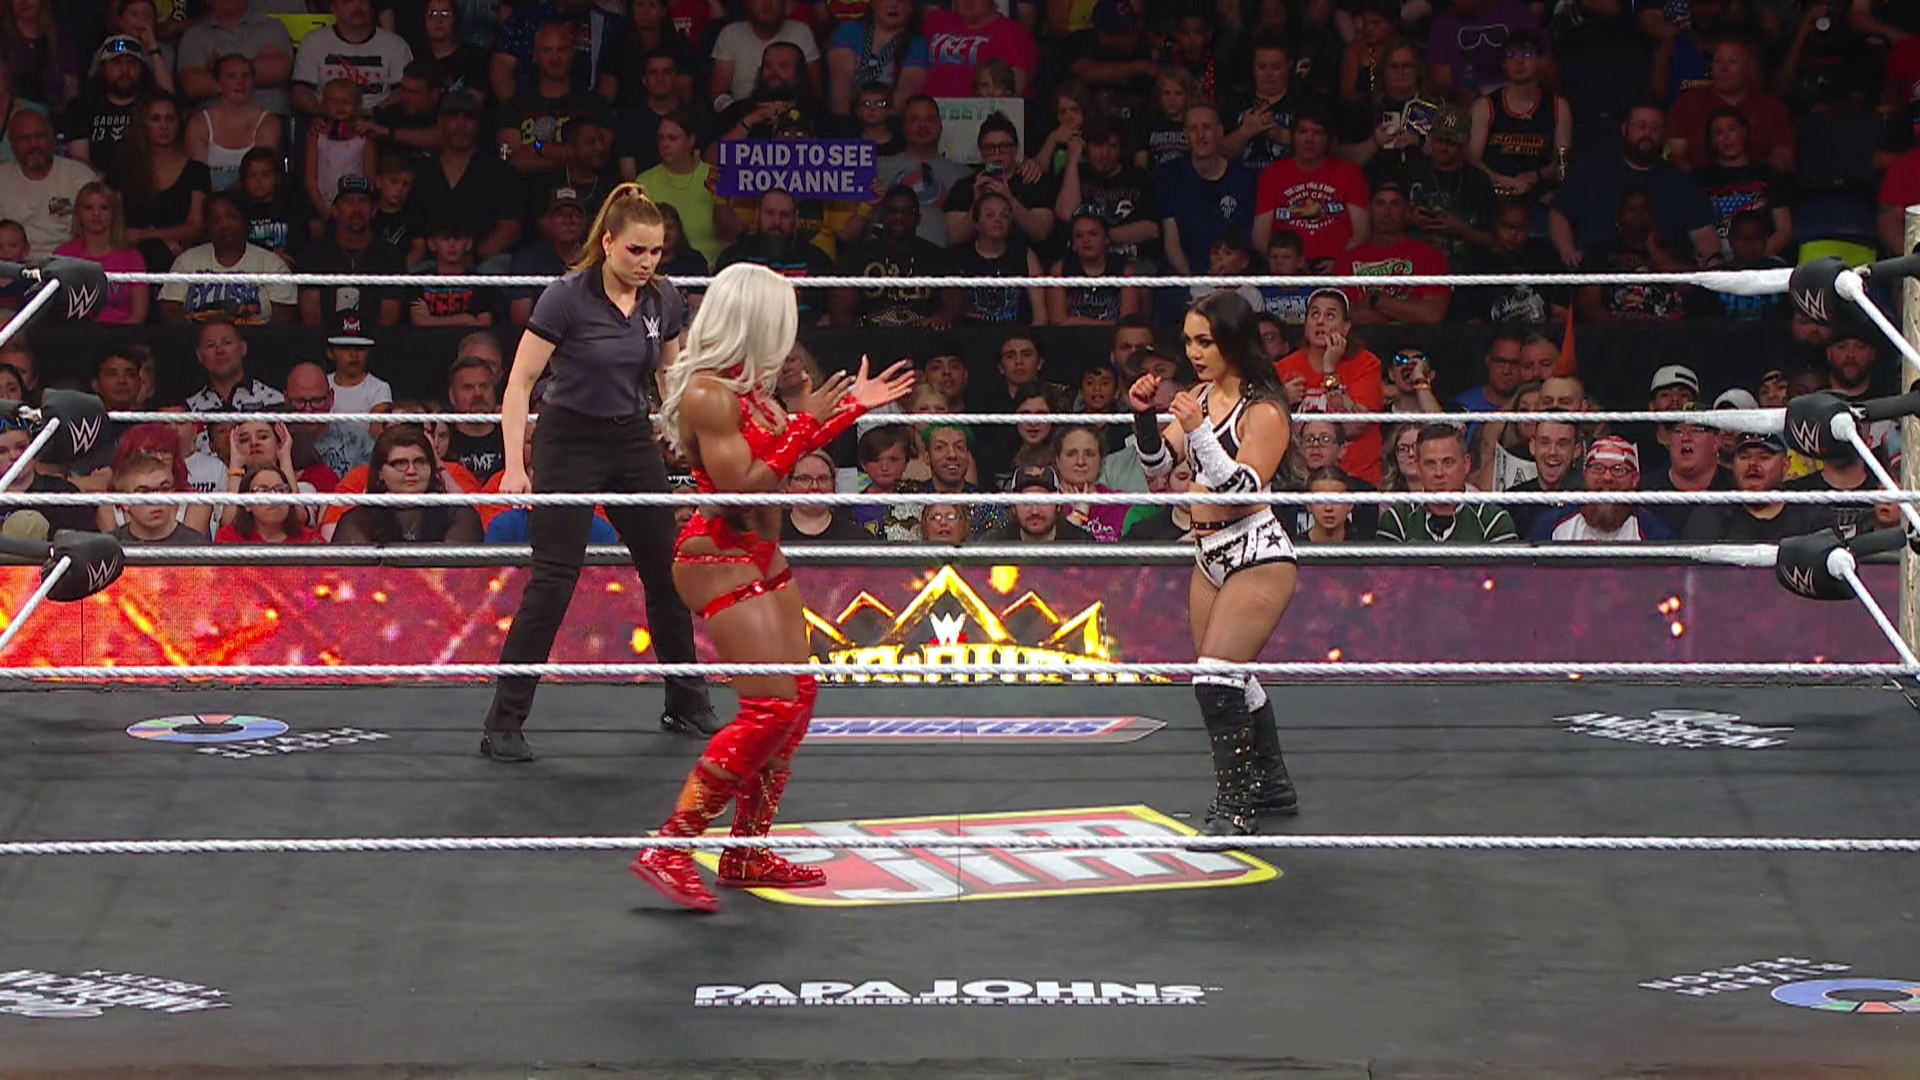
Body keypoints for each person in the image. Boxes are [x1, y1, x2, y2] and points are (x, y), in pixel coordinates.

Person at [631, 261, 913, 913]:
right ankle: (670, 847)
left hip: (761, 552)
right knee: (770, 710)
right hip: (718, 554)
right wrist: (811, 422)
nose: (790, 336)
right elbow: (740, 488)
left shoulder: (753, 392)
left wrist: (846, 411)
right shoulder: (709, 394)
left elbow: (781, 451)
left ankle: (746, 850)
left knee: (798, 697)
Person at [479, 182, 722, 764]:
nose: (647, 262)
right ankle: (502, 723)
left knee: (667, 572)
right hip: (569, 441)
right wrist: (515, 465)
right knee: (552, 581)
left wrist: (680, 433)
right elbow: (519, 383)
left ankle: (686, 701)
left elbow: (668, 375)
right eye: (636, 250)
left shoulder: (663, 298)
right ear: (608, 242)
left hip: (631, 438)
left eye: (656, 251)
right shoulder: (565, 296)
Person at [1129, 290, 1299, 837]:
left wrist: (1200, 429)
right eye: (1188, 342)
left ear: (1231, 340)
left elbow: (1243, 488)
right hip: (1207, 554)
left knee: (1215, 679)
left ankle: (1236, 807)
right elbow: (1159, 463)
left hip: (1255, 552)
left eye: (1204, 341)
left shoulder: (1264, 410)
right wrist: (1143, 416)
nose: (1194, 353)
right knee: (1228, 675)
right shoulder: (1200, 397)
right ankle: (1272, 784)